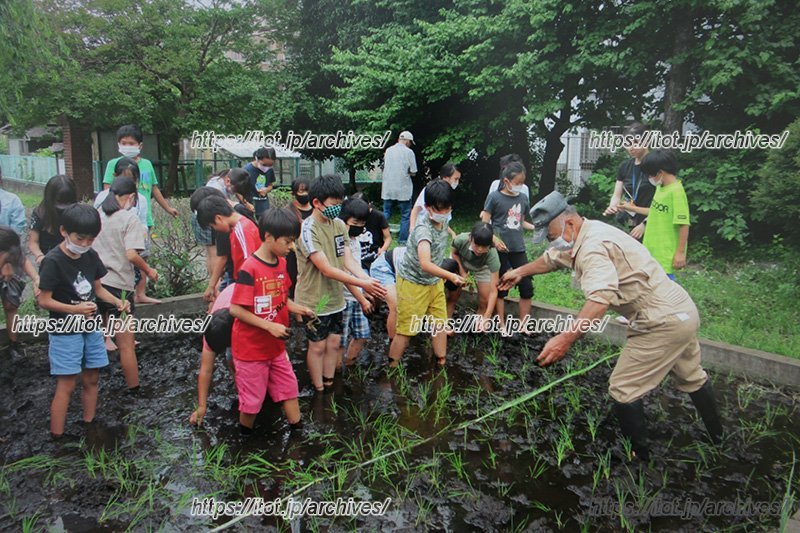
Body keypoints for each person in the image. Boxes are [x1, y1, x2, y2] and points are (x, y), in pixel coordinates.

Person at [499, 191, 723, 461]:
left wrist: (564, 340)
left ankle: (640, 461)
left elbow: (600, 298)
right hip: (680, 310)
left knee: (622, 388)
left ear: (568, 223)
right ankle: (719, 439)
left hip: (659, 320)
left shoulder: (592, 248)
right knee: (691, 374)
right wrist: (519, 272)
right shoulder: (588, 230)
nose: (551, 240)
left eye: (551, 234)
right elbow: (552, 258)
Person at [37, 204, 130, 437]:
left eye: (91, 239)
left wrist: (118, 302)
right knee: (67, 383)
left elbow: (97, 288)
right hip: (65, 330)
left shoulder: (90, 255)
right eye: (80, 238)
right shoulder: (53, 260)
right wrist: (75, 309)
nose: (85, 244)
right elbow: (44, 301)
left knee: (92, 377)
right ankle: (57, 437)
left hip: (91, 327)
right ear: (64, 231)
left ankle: (89, 424)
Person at [294, 175, 386, 391]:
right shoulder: (308, 230)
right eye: (333, 204)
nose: (336, 209)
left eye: (339, 204)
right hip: (315, 299)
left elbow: (347, 259)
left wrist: (366, 279)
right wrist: (362, 285)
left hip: (335, 297)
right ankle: (318, 389)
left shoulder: (338, 226)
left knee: (334, 343)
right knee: (317, 345)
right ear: (316, 202)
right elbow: (325, 268)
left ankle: (329, 382)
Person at [229, 208, 315, 435]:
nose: (292, 247)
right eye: (288, 242)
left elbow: (282, 299)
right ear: (268, 237)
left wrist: (301, 309)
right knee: (252, 400)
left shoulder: (280, 263)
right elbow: (236, 309)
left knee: (289, 388)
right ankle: (244, 438)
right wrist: (270, 326)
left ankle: (298, 432)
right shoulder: (250, 269)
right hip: (250, 350)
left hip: (276, 347)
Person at [93, 176, 158, 389]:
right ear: (131, 197)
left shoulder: (96, 215)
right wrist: (148, 270)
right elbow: (131, 254)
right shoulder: (128, 218)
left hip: (95, 285)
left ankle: (93, 386)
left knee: (95, 340)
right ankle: (134, 389)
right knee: (126, 345)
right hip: (119, 288)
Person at [389, 180, 464, 366]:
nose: (444, 213)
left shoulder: (444, 220)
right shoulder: (423, 230)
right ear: (428, 208)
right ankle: (391, 367)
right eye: (439, 209)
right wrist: (451, 276)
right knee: (406, 330)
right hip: (413, 283)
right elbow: (425, 264)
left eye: (447, 208)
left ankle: (441, 361)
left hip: (433, 282)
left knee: (440, 324)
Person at [102, 125, 178, 305]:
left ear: (140, 145)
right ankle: (117, 296)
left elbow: (153, 188)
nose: (127, 146)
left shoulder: (147, 165)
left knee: (142, 256)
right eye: (124, 143)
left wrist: (168, 208)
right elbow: (107, 189)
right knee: (121, 257)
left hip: (142, 220)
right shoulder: (113, 164)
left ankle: (140, 294)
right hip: (119, 220)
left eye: (131, 143)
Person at [481, 161, 535, 332]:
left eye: (522, 182)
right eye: (517, 182)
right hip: (500, 250)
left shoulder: (523, 198)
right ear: (506, 181)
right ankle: (501, 324)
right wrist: (493, 239)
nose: (520, 186)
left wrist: (536, 227)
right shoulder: (494, 198)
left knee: (526, 286)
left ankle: (523, 324)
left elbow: (521, 222)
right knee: (501, 287)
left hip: (518, 248)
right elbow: (484, 223)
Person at [621, 150, 690, 281]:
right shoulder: (660, 188)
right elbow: (655, 212)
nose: (649, 178)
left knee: (665, 288)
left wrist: (680, 253)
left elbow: (684, 224)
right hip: (652, 248)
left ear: (660, 173)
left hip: (665, 253)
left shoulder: (676, 193)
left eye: (650, 175)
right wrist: (632, 208)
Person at [0, 167, 40, 359]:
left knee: (10, 304)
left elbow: (16, 241)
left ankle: (14, 344)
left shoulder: (11, 200)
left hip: (10, 260)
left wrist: (7, 263)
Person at [190, 284, 235, 427]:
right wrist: (202, 406)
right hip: (226, 304)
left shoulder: (242, 318)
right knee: (231, 359)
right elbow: (206, 370)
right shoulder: (211, 329)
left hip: (244, 306)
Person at [336, 198, 375, 367]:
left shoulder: (356, 241)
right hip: (342, 299)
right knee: (340, 341)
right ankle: (336, 373)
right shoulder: (338, 242)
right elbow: (344, 276)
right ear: (344, 220)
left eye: (363, 223)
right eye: (355, 222)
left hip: (356, 296)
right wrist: (362, 299)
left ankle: (349, 364)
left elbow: (355, 268)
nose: (359, 227)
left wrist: (364, 290)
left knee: (362, 334)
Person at [441, 222, 500, 331]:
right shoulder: (460, 240)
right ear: (470, 239)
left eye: (484, 247)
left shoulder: (492, 255)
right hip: (462, 260)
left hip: (482, 267)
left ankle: (479, 324)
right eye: (477, 245)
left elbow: (493, 291)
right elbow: (454, 254)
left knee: (484, 300)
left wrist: (487, 316)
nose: (480, 250)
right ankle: (445, 323)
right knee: (454, 295)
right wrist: (463, 272)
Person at [603, 122, 656, 240]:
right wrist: (613, 206)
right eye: (627, 143)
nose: (631, 147)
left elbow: (663, 204)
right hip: (628, 223)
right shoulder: (624, 166)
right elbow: (617, 195)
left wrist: (645, 224)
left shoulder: (656, 165)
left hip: (652, 223)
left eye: (635, 143)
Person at [196, 195, 261, 277]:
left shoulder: (242, 230)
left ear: (218, 218)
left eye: (213, 226)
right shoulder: (238, 227)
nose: (215, 229)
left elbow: (249, 263)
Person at [190, 188, 233, 303]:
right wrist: (212, 285)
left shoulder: (229, 224)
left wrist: (212, 285)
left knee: (211, 252)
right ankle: (217, 289)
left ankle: (216, 290)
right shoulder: (223, 224)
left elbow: (222, 257)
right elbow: (221, 257)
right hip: (232, 276)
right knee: (213, 252)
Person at [29, 174, 78, 264]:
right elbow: (33, 242)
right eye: (60, 202)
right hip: (48, 260)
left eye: (68, 202)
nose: (63, 207)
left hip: (73, 260)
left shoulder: (77, 213)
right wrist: (40, 256)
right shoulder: (40, 213)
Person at [381, 131, 417, 244]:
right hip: (403, 189)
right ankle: (402, 240)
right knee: (405, 215)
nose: (410, 144)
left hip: (388, 188)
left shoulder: (388, 150)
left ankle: (378, 233)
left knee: (386, 212)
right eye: (410, 142)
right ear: (407, 141)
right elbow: (413, 171)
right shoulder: (409, 152)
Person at [409, 162, 461, 235]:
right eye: (455, 179)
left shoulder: (448, 193)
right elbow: (415, 210)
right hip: (423, 230)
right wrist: (412, 228)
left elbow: (442, 220)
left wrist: (452, 233)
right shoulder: (430, 190)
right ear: (445, 178)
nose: (457, 182)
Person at [369, 246, 405, 341]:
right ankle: (392, 340)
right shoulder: (414, 260)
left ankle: (375, 307)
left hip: (395, 267)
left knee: (382, 294)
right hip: (382, 268)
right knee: (395, 306)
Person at [350, 191, 391, 271]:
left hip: (375, 256)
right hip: (357, 257)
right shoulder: (351, 217)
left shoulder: (378, 216)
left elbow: (388, 238)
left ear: (369, 205)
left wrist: (382, 250)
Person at [287, 178, 313, 299]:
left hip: (313, 253)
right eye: (301, 191)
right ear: (294, 193)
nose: (305, 194)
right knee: (295, 282)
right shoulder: (289, 211)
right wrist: (297, 250)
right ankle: (298, 316)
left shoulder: (315, 209)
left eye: (307, 191)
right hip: (294, 254)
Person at [243, 147, 276, 219]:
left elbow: (270, 185)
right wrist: (246, 203)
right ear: (256, 159)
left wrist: (266, 190)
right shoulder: (246, 170)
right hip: (249, 204)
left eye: (270, 165)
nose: (267, 167)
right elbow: (239, 191)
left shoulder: (270, 170)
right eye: (264, 164)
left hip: (263, 205)